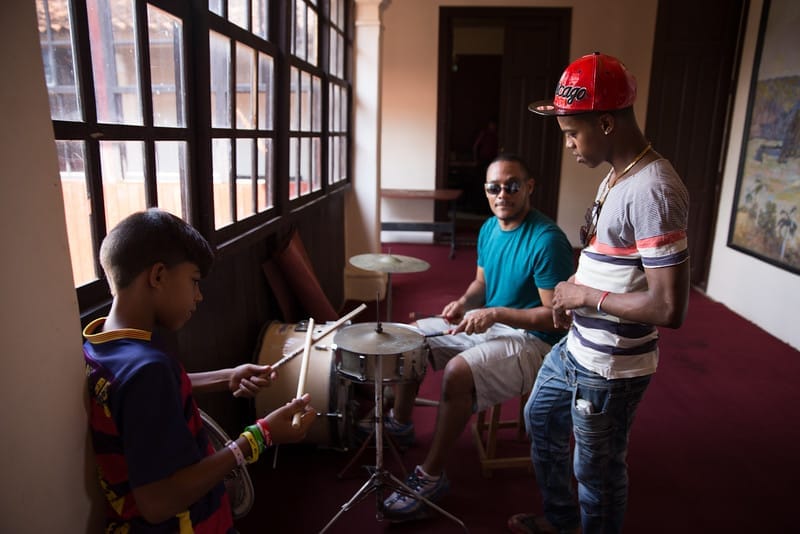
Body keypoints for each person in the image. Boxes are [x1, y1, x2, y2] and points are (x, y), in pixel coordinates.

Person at [508, 52, 690, 534]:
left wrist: (585, 297)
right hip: (577, 347)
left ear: (606, 124)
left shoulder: (654, 190)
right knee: (540, 419)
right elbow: (612, 261)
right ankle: (562, 521)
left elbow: (669, 307)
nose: (568, 144)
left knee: (597, 476)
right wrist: (572, 290)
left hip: (610, 368)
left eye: (572, 133)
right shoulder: (617, 174)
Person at [83, 208, 317, 532]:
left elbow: (143, 397)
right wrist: (260, 436)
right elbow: (158, 502)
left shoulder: (101, 345)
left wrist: (226, 377)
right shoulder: (148, 369)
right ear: (158, 276)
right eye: (194, 281)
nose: (199, 295)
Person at [373, 153, 576, 522]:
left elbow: (556, 319)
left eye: (512, 186)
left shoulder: (547, 240)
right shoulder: (488, 229)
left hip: (534, 341)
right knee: (411, 338)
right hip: (493, 322)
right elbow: (481, 284)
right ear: (485, 191)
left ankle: (431, 477)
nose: (502, 195)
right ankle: (400, 425)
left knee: (458, 373)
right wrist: (464, 303)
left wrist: (495, 314)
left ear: (529, 187)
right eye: (494, 188)